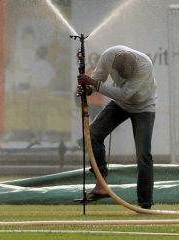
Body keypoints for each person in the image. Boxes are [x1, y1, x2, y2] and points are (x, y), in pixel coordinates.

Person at [77, 45, 157, 209]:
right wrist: (88, 89)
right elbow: (97, 80)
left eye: (129, 77)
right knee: (92, 135)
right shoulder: (108, 55)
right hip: (120, 105)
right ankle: (101, 186)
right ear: (114, 65)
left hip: (143, 107)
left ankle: (145, 202)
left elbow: (124, 94)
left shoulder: (144, 65)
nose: (126, 80)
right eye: (123, 77)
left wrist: (93, 83)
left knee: (144, 155)